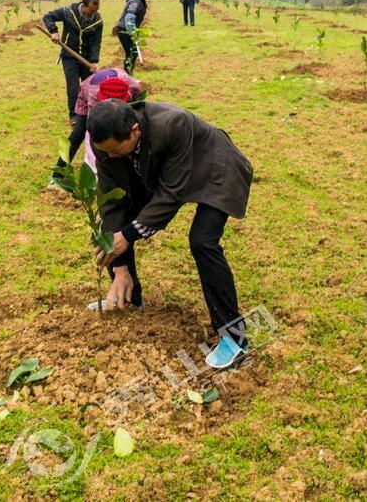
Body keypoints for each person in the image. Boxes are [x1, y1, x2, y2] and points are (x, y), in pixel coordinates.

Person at [87, 98, 253, 369]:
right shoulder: (107, 148)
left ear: (134, 131)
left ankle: (235, 338)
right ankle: (130, 298)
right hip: (158, 170)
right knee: (119, 227)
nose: (111, 157)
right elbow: (112, 202)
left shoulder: (173, 124)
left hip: (215, 168)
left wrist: (127, 235)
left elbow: (172, 193)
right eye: (106, 152)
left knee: (202, 240)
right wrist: (119, 267)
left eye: (116, 151)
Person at [51, 68, 142, 188]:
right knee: (78, 134)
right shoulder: (94, 94)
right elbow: (93, 133)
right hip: (86, 97)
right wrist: (93, 163)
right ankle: (58, 175)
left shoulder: (132, 86)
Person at [42, 0, 104, 121]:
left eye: (95, 12)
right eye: (90, 12)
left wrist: (94, 61)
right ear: (83, 5)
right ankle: (74, 116)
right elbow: (48, 17)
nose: (92, 15)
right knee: (73, 88)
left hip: (86, 58)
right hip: (69, 56)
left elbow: (96, 42)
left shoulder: (97, 21)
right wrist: (54, 31)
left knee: (90, 87)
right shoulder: (68, 12)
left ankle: (90, 114)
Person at [114, 0, 152, 74]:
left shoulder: (138, 0)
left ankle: (128, 74)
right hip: (125, 29)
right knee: (132, 53)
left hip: (125, 29)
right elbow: (130, 16)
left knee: (132, 53)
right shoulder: (136, 1)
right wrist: (132, 31)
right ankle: (127, 76)